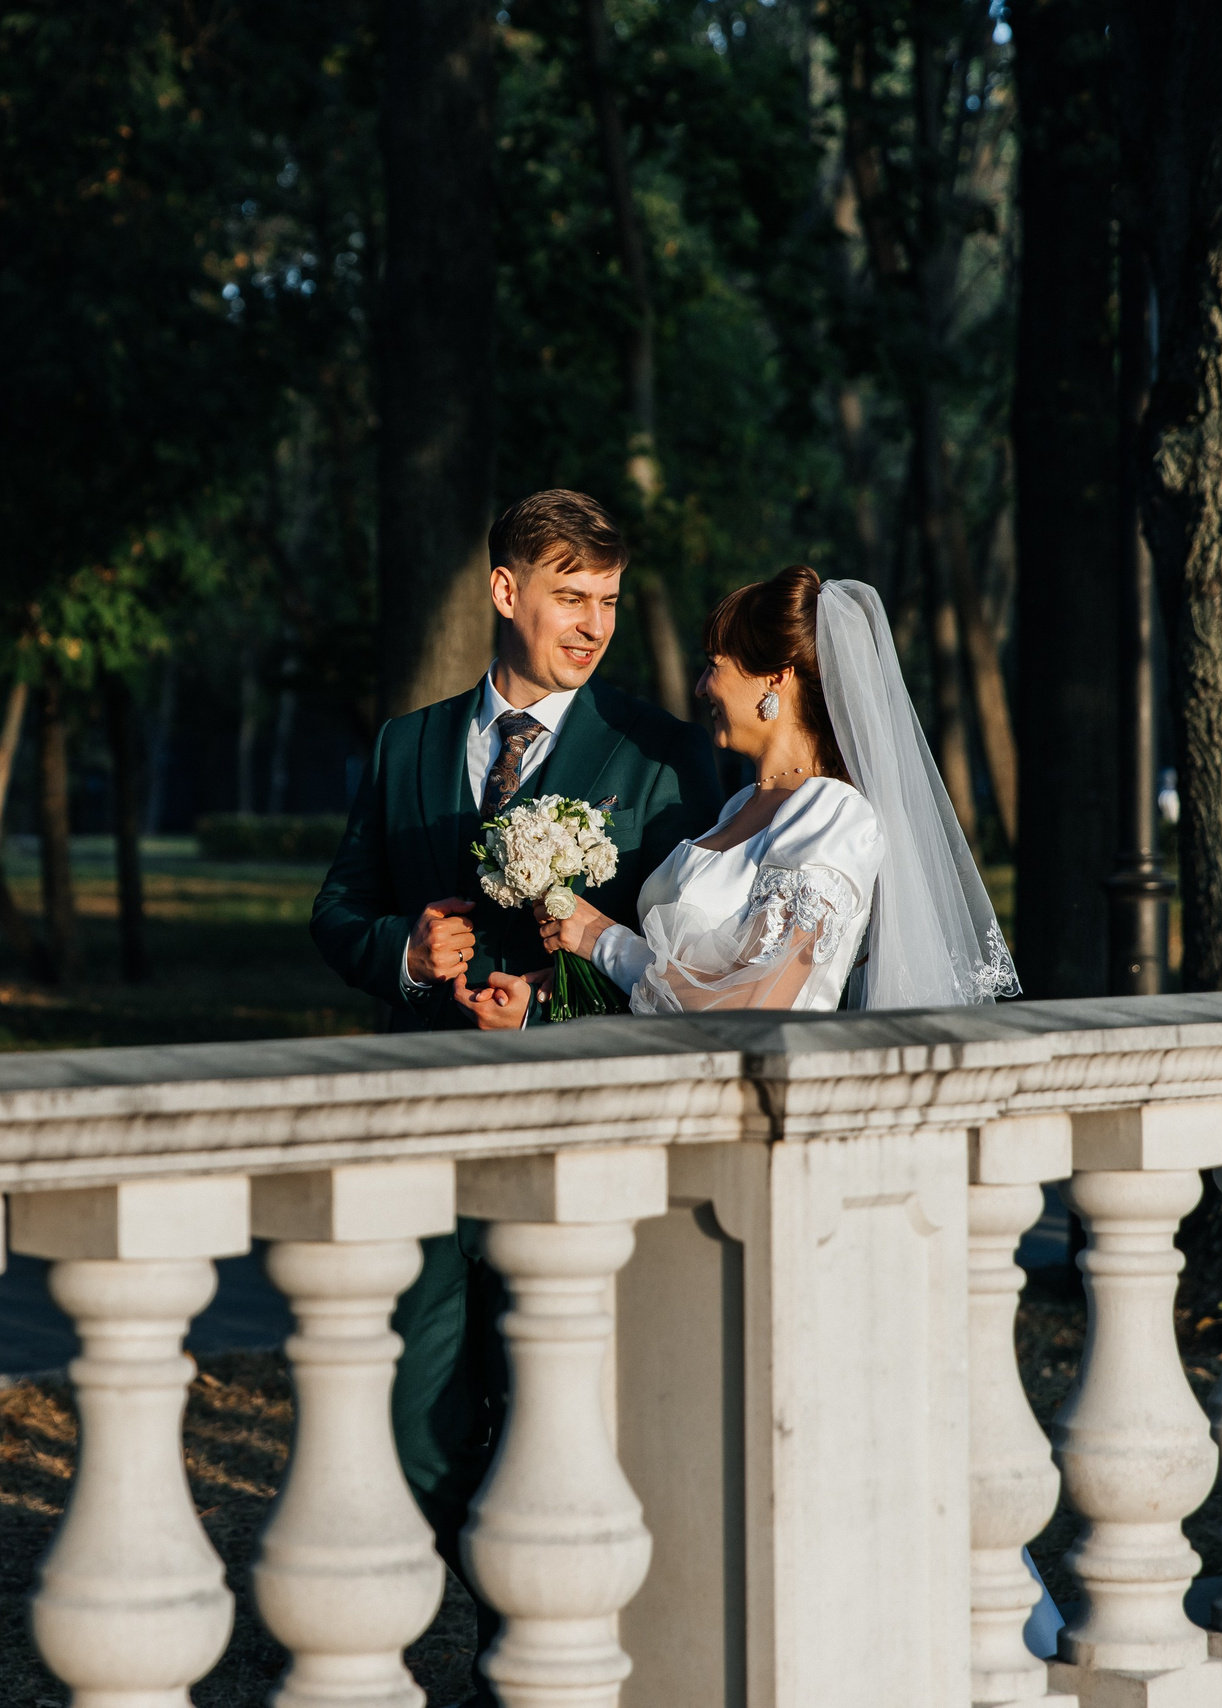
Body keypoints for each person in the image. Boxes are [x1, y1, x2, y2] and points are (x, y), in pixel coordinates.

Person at [307, 488, 721, 1683]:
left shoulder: (659, 759)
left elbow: (681, 967)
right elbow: (336, 906)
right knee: (408, 1422)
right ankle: (447, 1617)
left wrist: (557, 998)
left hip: (575, 1145)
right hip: (421, 1144)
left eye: (606, 600)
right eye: (568, 597)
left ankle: (519, 1668)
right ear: (505, 591)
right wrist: (400, 948)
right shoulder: (408, 745)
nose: (591, 625)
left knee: (553, 1419)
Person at [536, 566, 1019, 1014]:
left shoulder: (832, 814)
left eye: (715, 665)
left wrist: (604, 941)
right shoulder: (739, 806)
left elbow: (757, 1000)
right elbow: (673, 978)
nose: (702, 687)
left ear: (777, 676)